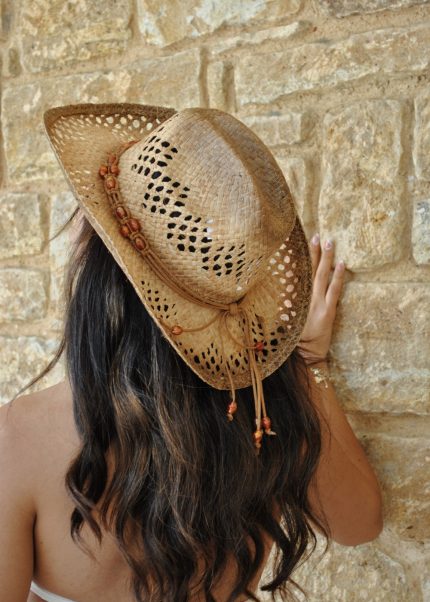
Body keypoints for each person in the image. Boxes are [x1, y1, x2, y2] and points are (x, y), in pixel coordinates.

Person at [0, 104, 383, 602]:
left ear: (98, 269)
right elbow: (359, 524)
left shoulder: (18, 440)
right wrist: (305, 361)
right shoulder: (265, 410)